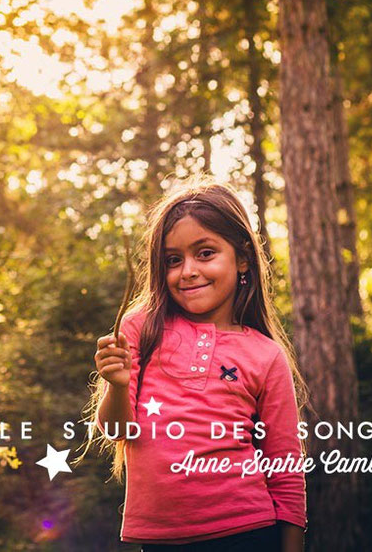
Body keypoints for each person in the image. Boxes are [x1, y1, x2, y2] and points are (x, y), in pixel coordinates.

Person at [88, 177, 309, 551]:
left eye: (205, 253)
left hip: (249, 533)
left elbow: (285, 468)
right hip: (160, 540)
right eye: (173, 260)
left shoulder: (265, 355)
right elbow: (116, 429)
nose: (187, 270)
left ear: (242, 259)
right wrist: (118, 384)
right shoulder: (142, 326)